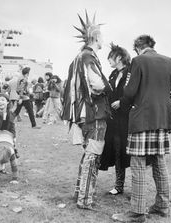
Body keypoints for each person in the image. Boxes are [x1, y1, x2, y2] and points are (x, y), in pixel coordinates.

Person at [112, 35, 171, 223]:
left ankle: (138, 212)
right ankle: (163, 206)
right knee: (159, 162)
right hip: (161, 119)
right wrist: (165, 92)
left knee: (138, 164)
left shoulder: (138, 61)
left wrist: (122, 102)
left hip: (142, 119)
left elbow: (129, 92)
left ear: (138, 48)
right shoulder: (168, 61)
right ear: (152, 46)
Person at [62, 11, 111, 210]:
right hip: (94, 113)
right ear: (96, 37)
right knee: (93, 155)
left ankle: (79, 193)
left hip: (83, 114)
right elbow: (97, 84)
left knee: (88, 154)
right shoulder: (88, 57)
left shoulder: (79, 57)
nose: (103, 40)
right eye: (102, 37)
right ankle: (85, 199)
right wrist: (107, 89)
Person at [99, 43, 131, 195]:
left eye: (110, 57)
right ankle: (119, 185)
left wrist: (122, 102)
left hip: (126, 119)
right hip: (113, 120)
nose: (108, 60)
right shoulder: (112, 74)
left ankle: (124, 186)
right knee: (117, 151)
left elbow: (134, 93)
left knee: (126, 153)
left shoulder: (131, 73)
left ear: (119, 57)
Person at [0, 93, 19, 180]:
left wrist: (14, 137)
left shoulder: (10, 113)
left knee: (6, 149)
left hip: (7, 135)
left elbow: (12, 126)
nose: (0, 102)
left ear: (7, 102)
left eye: (2, 100)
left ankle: (2, 166)